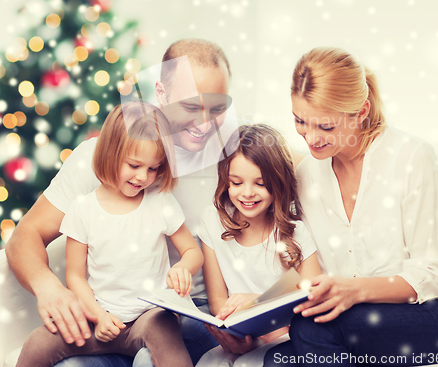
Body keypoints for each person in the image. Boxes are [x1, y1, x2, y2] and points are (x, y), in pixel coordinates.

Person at [6, 39, 231, 367]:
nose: (205, 124)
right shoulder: (98, 159)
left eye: (218, 108)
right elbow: (24, 237)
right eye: (192, 108)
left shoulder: (233, 160)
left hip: (183, 313)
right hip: (106, 315)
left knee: (156, 350)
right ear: (161, 93)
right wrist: (48, 287)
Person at [263, 47, 438, 366]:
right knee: (277, 360)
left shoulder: (411, 157)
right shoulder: (307, 175)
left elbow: (430, 277)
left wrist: (354, 291)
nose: (311, 138)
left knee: (311, 330)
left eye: (325, 127)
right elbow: (310, 266)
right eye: (300, 121)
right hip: (372, 319)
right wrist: (257, 316)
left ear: (361, 111)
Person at [16, 102, 203, 367]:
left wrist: (184, 267)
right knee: (39, 342)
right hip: (100, 318)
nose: (143, 177)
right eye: (134, 165)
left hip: (149, 316)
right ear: (110, 154)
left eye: (153, 168)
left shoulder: (160, 201)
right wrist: (98, 316)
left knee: (164, 329)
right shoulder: (83, 210)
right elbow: (75, 277)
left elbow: (192, 252)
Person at [197, 124, 321, 366]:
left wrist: (257, 305)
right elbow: (218, 302)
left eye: (260, 183)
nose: (247, 193)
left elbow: (313, 302)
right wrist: (237, 334)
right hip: (239, 337)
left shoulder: (297, 233)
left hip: (285, 339)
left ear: (278, 182)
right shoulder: (213, 221)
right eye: (236, 182)